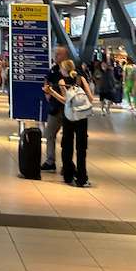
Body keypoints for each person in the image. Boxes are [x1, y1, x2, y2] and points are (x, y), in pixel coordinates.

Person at [44, 59, 93, 187]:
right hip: (82, 116)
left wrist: (52, 92)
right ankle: (82, 177)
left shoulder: (62, 81)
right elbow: (91, 97)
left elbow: (66, 100)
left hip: (69, 116)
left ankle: (68, 175)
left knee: (67, 145)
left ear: (64, 69)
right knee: (81, 148)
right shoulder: (80, 79)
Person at [41, 45, 71, 172]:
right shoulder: (53, 69)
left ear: (65, 55)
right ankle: (50, 161)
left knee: (68, 137)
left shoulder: (71, 70)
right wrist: (47, 92)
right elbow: (46, 81)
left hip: (68, 109)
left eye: (58, 54)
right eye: (55, 53)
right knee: (49, 134)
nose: (55, 56)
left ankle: (67, 163)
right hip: (55, 108)